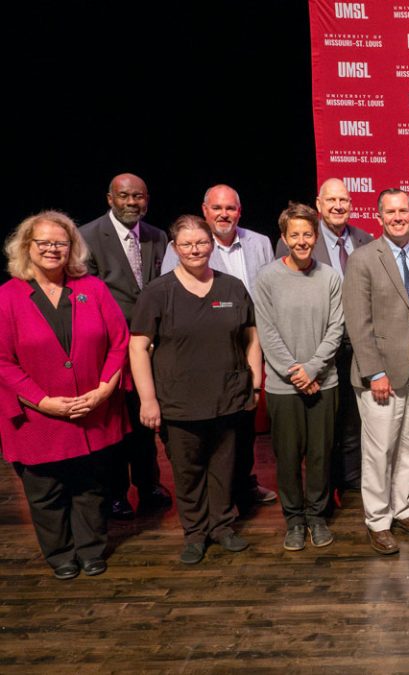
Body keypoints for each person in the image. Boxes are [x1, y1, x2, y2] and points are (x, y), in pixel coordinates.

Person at [0, 211, 129, 579]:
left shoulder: (93, 288)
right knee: (46, 492)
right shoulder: (7, 297)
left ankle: (91, 550)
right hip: (38, 417)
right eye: (44, 242)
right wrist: (42, 401)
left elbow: (119, 343)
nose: (53, 249)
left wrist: (104, 389)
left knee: (91, 487)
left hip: (92, 409)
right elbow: (3, 361)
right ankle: (60, 554)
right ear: (27, 247)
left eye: (61, 242)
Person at [130, 215, 262, 565]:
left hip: (229, 396)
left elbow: (251, 336)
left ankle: (221, 527)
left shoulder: (232, 287)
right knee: (188, 472)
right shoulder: (157, 293)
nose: (195, 250)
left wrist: (256, 381)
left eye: (201, 242)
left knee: (225, 468)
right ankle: (195, 533)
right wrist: (147, 399)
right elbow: (138, 346)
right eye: (186, 244)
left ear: (211, 244)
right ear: (175, 248)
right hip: (180, 403)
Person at [162, 184, 277, 511]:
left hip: (248, 343)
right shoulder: (184, 245)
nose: (224, 214)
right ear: (205, 210)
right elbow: (168, 296)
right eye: (217, 208)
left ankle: (244, 483)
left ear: (239, 211)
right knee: (211, 427)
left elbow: (267, 292)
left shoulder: (260, 242)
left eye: (230, 208)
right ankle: (216, 497)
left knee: (244, 425)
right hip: (202, 351)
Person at [345, 189, 409, 555]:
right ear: (379, 217)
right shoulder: (363, 259)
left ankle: (404, 507)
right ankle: (378, 520)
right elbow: (358, 321)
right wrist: (374, 372)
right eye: (391, 212)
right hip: (381, 375)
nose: (398, 217)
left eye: (404, 211)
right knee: (379, 449)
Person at [253, 203, 344, 551]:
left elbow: (336, 328)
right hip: (283, 385)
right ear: (284, 237)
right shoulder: (267, 278)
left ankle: (317, 516)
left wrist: (314, 369)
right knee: (288, 456)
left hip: (324, 381)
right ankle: (294, 520)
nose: (302, 240)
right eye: (295, 235)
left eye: (308, 234)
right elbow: (268, 330)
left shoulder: (330, 277)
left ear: (316, 236)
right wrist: (297, 372)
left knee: (321, 453)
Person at [79, 173, 170, 519]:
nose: (132, 202)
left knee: (146, 421)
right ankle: (115, 492)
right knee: (116, 424)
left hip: (151, 347)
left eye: (139, 197)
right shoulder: (87, 237)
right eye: (125, 196)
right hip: (110, 348)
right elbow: (86, 296)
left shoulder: (157, 237)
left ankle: (149, 485)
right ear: (110, 198)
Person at [277, 178, 374, 497]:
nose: (337, 206)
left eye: (343, 200)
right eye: (331, 200)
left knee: (352, 417)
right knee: (321, 424)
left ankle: (349, 478)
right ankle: (324, 484)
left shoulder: (365, 239)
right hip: (316, 348)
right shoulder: (300, 240)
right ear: (318, 205)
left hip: (355, 345)